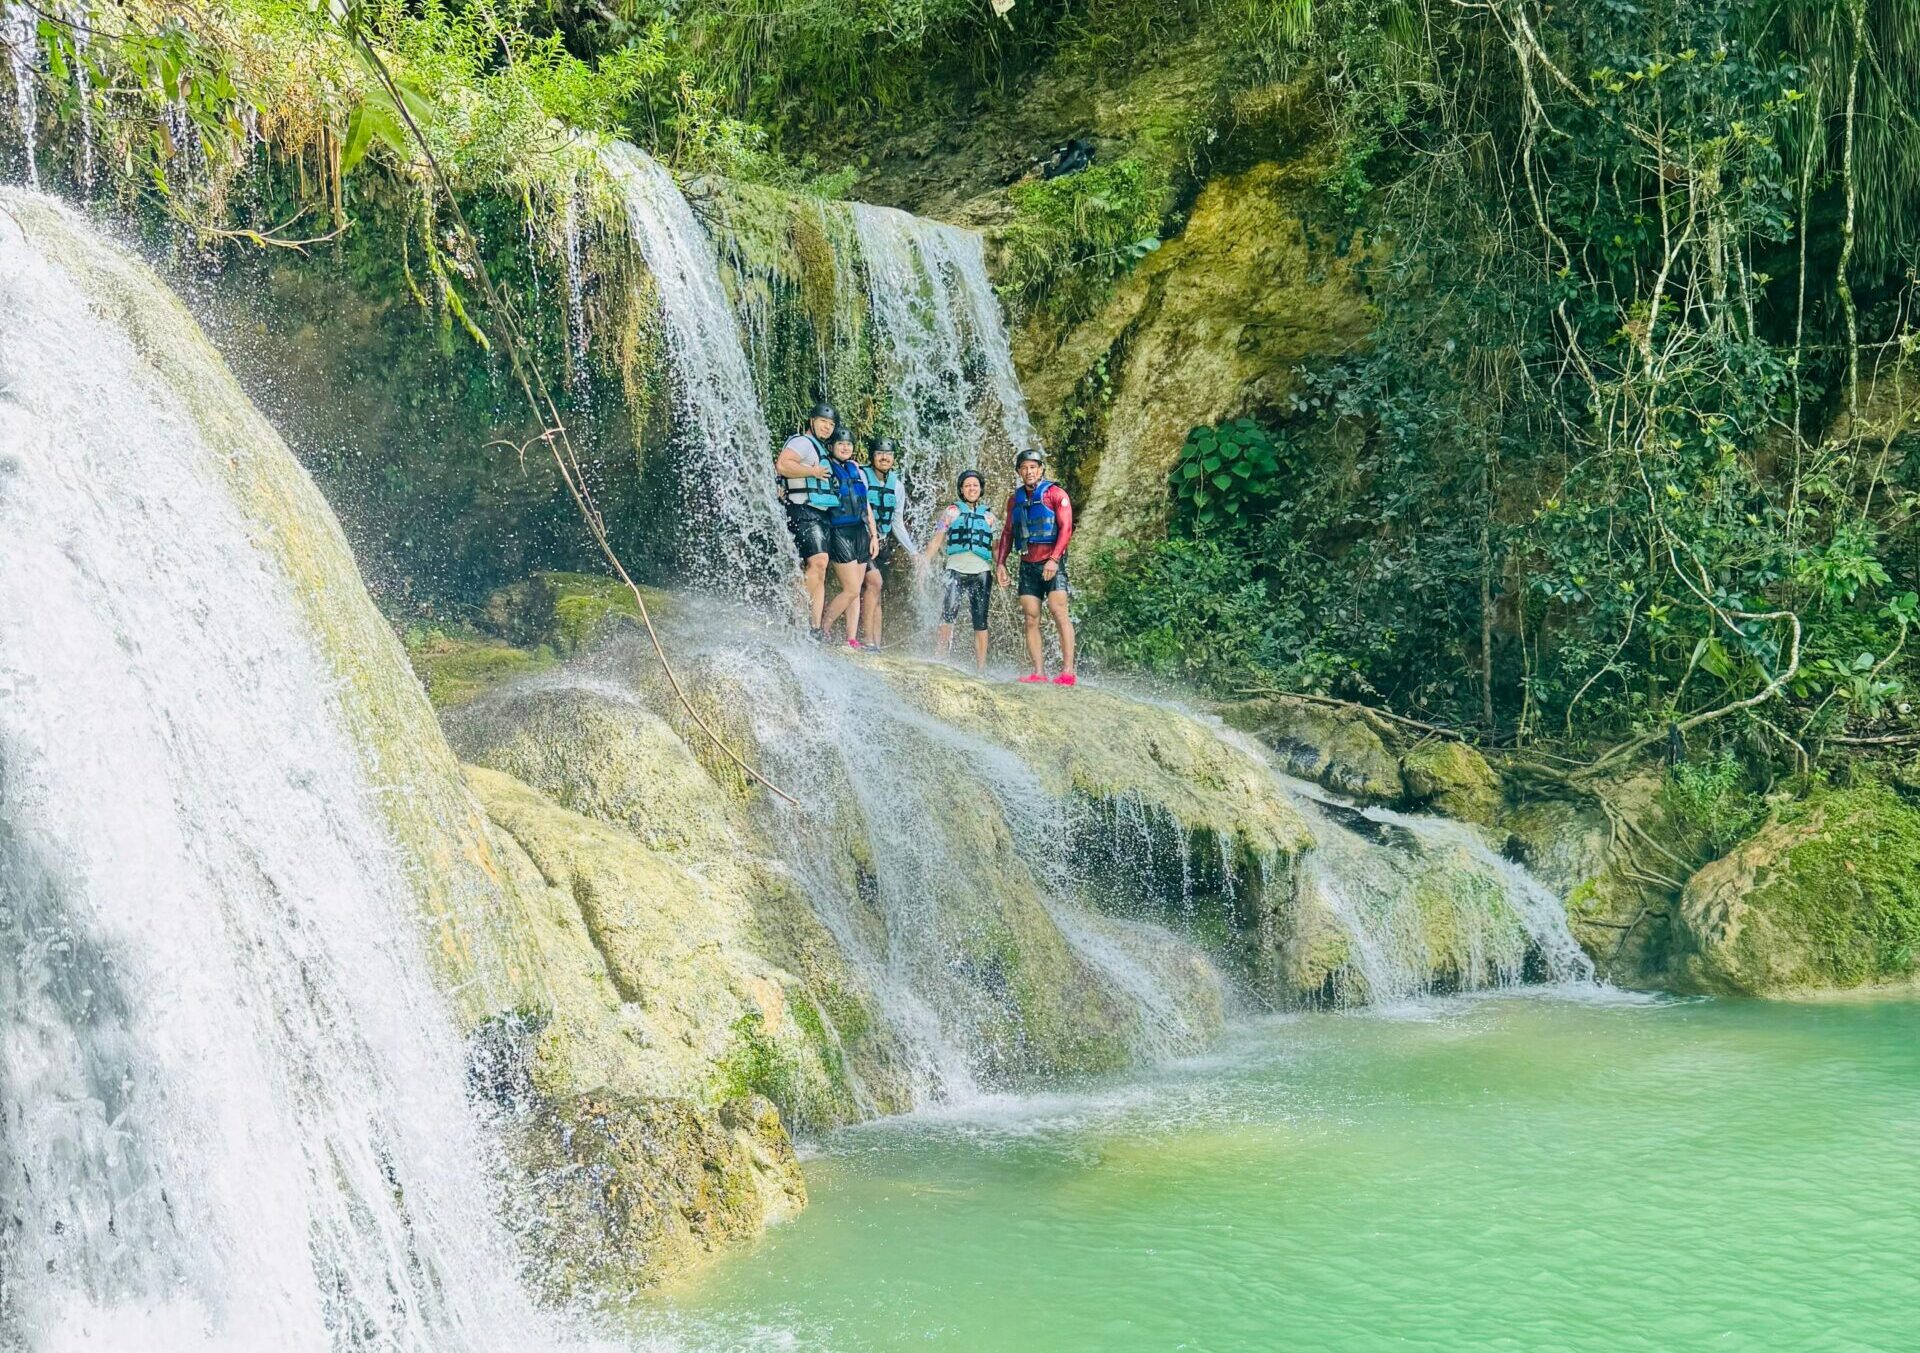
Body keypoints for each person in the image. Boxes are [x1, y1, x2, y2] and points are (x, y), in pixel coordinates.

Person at [995, 448, 1076, 685]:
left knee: (1059, 612)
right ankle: (1038, 672)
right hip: (1028, 564)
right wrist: (1000, 564)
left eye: (1033, 467)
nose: (1029, 471)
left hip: (1052, 562)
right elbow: (1008, 532)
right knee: (1031, 617)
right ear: (1019, 471)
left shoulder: (1056, 494)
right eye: (1024, 467)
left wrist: (1054, 559)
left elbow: (1067, 529)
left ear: (1041, 469)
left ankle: (1068, 671)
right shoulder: (1015, 499)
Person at [773, 403, 840, 638]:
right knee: (819, 562)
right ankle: (797, 617)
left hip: (820, 513)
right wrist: (812, 472)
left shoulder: (821, 449)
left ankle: (813, 626)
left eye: (831, 424)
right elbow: (783, 464)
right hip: (802, 510)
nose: (827, 427)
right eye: (823, 422)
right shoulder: (802, 442)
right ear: (812, 421)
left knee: (818, 570)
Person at [924, 469, 997, 675]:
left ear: (981, 489)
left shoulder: (990, 517)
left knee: (980, 620)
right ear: (961, 490)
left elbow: (996, 547)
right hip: (955, 570)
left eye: (975, 485)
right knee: (948, 614)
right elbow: (938, 538)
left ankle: (981, 668)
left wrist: (1002, 567)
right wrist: (925, 561)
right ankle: (940, 658)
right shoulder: (951, 512)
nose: (971, 488)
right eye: (967, 485)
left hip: (981, 572)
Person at [818, 425, 878, 649]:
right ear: (831, 446)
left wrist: (873, 534)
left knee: (857, 588)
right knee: (851, 588)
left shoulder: (856, 469)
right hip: (839, 531)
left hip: (860, 531)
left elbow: (866, 505)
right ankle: (823, 627)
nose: (845, 447)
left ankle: (851, 639)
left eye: (849, 444)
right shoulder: (826, 467)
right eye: (841, 444)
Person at [860, 438, 916, 649]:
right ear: (872, 456)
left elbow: (897, 522)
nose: (884, 457)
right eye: (879, 453)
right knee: (874, 584)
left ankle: (877, 642)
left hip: (882, 543)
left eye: (888, 454)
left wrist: (913, 551)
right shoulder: (863, 477)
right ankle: (866, 640)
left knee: (877, 591)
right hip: (862, 539)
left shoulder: (897, 486)